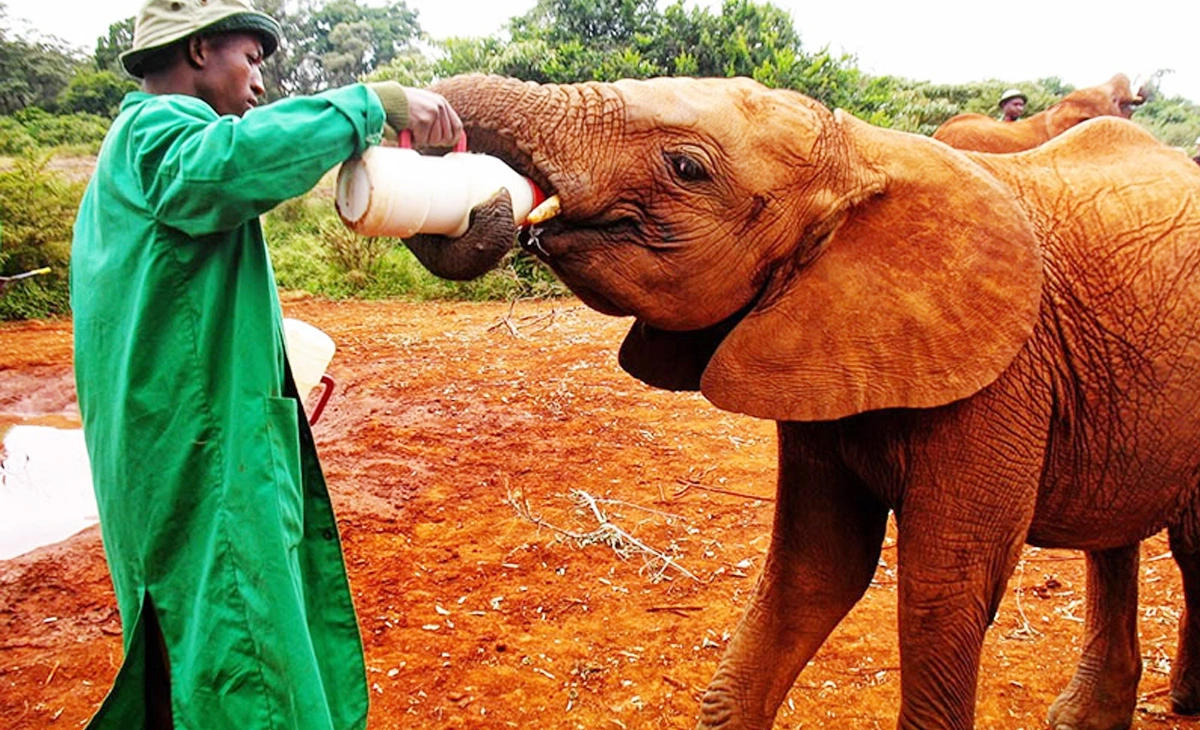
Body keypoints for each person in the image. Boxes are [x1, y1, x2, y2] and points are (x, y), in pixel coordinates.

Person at [69, 0, 462, 728]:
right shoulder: (158, 136)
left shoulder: (117, 172)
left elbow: (165, 305)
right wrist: (369, 106)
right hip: (203, 458)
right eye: (251, 60)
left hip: (169, 449)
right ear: (198, 52)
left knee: (194, 644)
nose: (257, 82)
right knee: (244, 655)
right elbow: (229, 162)